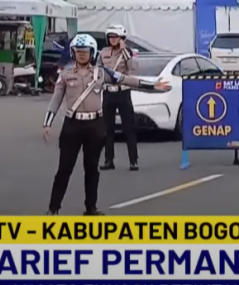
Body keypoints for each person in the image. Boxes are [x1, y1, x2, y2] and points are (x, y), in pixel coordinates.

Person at [42, 34, 170, 215]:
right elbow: (55, 100)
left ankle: (91, 208)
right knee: (64, 169)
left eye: (85, 51)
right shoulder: (65, 75)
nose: (81, 55)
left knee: (92, 169)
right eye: (78, 51)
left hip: (95, 125)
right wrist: (47, 123)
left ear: (92, 52)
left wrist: (152, 85)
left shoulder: (102, 73)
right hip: (72, 125)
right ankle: (53, 209)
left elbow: (126, 80)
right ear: (72, 53)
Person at [99, 25, 139, 171]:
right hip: (108, 93)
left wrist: (124, 50)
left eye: (116, 37)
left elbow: (133, 68)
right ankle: (109, 160)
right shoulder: (103, 53)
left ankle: (133, 160)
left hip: (123, 92)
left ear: (122, 38)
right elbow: (98, 70)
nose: (113, 39)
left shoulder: (127, 53)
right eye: (110, 37)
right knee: (107, 129)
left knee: (129, 127)